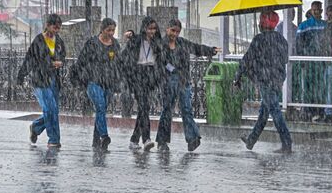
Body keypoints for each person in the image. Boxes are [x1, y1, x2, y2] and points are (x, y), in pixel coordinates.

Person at [155, 19, 220, 152]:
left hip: (183, 80)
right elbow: (161, 62)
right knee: (167, 110)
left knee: (187, 109)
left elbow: (196, 48)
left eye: (177, 31)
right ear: (167, 29)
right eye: (173, 30)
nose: (175, 34)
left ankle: (192, 139)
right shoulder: (161, 44)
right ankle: (162, 141)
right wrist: (173, 69)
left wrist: (210, 50)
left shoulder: (182, 43)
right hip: (168, 81)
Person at [235, 11, 292, 153]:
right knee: (264, 112)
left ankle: (287, 142)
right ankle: (251, 140)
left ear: (263, 23)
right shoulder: (281, 39)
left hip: (265, 80)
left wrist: (238, 76)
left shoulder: (259, 40)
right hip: (277, 79)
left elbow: (247, 59)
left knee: (274, 111)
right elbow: (285, 59)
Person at [71, 18, 122, 151]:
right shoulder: (92, 43)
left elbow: (119, 64)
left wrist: (118, 81)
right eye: (108, 30)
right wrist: (79, 79)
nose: (111, 33)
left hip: (109, 83)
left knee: (102, 111)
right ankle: (104, 136)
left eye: (113, 30)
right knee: (100, 106)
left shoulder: (115, 45)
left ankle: (96, 141)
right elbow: (81, 61)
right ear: (102, 29)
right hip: (93, 81)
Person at [17, 14, 66, 148]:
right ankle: (54, 139)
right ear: (48, 26)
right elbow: (30, 59)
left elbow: (63, 56)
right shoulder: (38, 41)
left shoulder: (59, 41)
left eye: (58, 28)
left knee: (53, 110)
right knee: (50, 109)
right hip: (40, 80)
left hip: (54, 80)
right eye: (54, 27)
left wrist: (60, 62)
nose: (56, 30)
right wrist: (21, 75)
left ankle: (36, 127)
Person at [121, 16, 163, 151]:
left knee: (144, 109)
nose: (152, 31)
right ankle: (146, 139)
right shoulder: (137, 40)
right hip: (138, 75)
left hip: (150, 76)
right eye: (150, 28)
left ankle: (134, 140)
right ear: (144, 29)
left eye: (154, 29)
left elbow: (162, 59)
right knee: (144, 107)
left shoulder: (157, 42)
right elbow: (125, 56)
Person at [296, 1, 327, 121]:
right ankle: (310, 110)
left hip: (317, 61)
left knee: (317, 87)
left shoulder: (307, 26)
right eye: (314, 10)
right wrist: (302, 57)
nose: (316, 12)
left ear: (321, 11)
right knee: (310, 86)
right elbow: (299, 44)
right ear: (311, 10)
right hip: (310, 61)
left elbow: (298, 44)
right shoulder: (305, 25)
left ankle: (314, 110)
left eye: (318, 10)